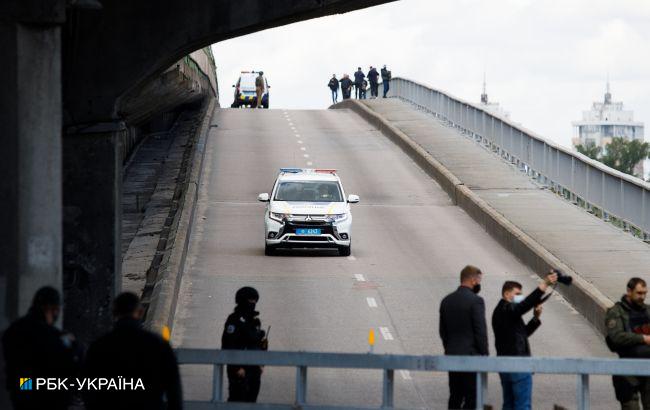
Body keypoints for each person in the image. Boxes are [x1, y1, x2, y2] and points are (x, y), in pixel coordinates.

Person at [83, 292, 182, 410]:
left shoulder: (99, 346)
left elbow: (89, 388)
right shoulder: (158, 344)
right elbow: (174, 390)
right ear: (141, 312)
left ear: (114, 313)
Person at [2, 286, 81, 410]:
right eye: (56, 309)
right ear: (50, 308)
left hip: (23, 397)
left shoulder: (14, 330)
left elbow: (20, 371)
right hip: (47, 399)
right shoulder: (54, 336)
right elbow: (71, 364)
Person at [492, 272, 558, 410]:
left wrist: (535, 318)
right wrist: (544, 284)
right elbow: (524, 305)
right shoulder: (507, 309)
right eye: (517, 294)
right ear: (506, 294)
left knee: (509, 405)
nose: (520, 297)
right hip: (518, 364)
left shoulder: (503, 312)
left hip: (505, 365)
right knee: (522, 405)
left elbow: (522, 334)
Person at [439, 265, 488, 409]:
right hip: (471, 357)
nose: (479, 284)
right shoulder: (476, 301)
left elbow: (443, 332)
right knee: (472, 397)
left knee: (455, 395)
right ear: (473, 280)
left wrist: (449, 349)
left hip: (452, 356)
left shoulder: (447, 301)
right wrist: (485, 354)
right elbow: (480, 332)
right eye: (479, 280)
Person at [605, 277, 650, 410]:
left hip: (648, 369)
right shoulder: (616, 312)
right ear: (629, 291)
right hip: (627, 370)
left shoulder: (647, 311)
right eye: (639, 293)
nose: (642, 297)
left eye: (644, 293)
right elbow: (616, 337)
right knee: (631, 407)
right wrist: (643, 339)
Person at [222, 287, 268, 402]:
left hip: (255, 368)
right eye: (250, 300)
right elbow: (228, 343)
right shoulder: (234, 320)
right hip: (239, 369)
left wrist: (261, 364)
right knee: (236, 399)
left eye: (255, 301)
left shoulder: (255, 321)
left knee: (252, 400)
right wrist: (237, 367)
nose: (253, 303)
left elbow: (259, 344)